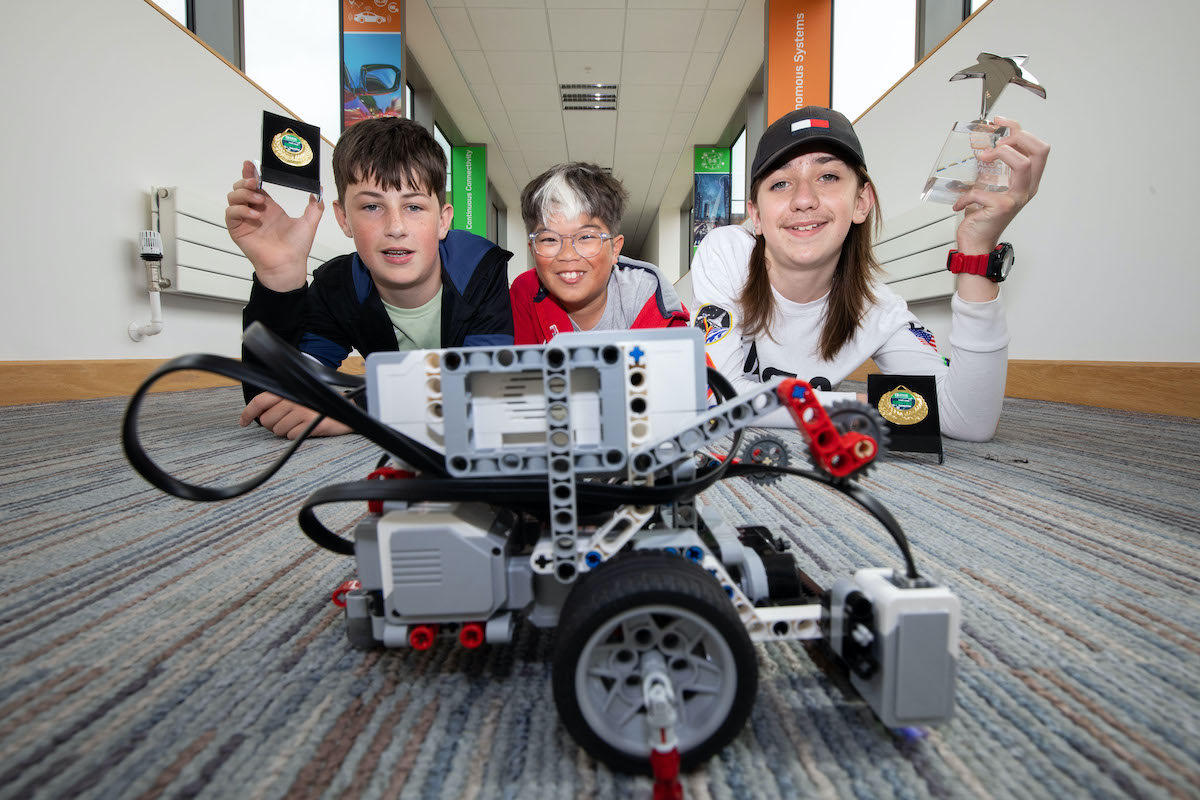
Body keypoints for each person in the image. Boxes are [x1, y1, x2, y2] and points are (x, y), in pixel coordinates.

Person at [691, 106, 1049, 441]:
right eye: (781, 183)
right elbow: (715, 394)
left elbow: (968, 419)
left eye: (828, 176)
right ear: (755, 216)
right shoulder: (728, 251)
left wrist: (977, 250)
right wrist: (865, 407)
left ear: (861, 202)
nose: (804, 198)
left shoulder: (876, 307)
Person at [225, 117, 514, 438]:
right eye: (372, 206)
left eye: (414, 206)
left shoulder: (480, 267)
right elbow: (271, 402)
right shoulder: (339, 285)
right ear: (343, 218)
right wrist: (279, 276)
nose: (395, 226)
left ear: (443, 221)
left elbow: (489, 387)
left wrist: (357, 411)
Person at [511, 162, 689, 344]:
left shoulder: (648, 299)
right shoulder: (525, 293)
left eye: (586, 236)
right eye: (549, 239)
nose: (567, 254)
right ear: (532, 249)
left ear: (615, 249)